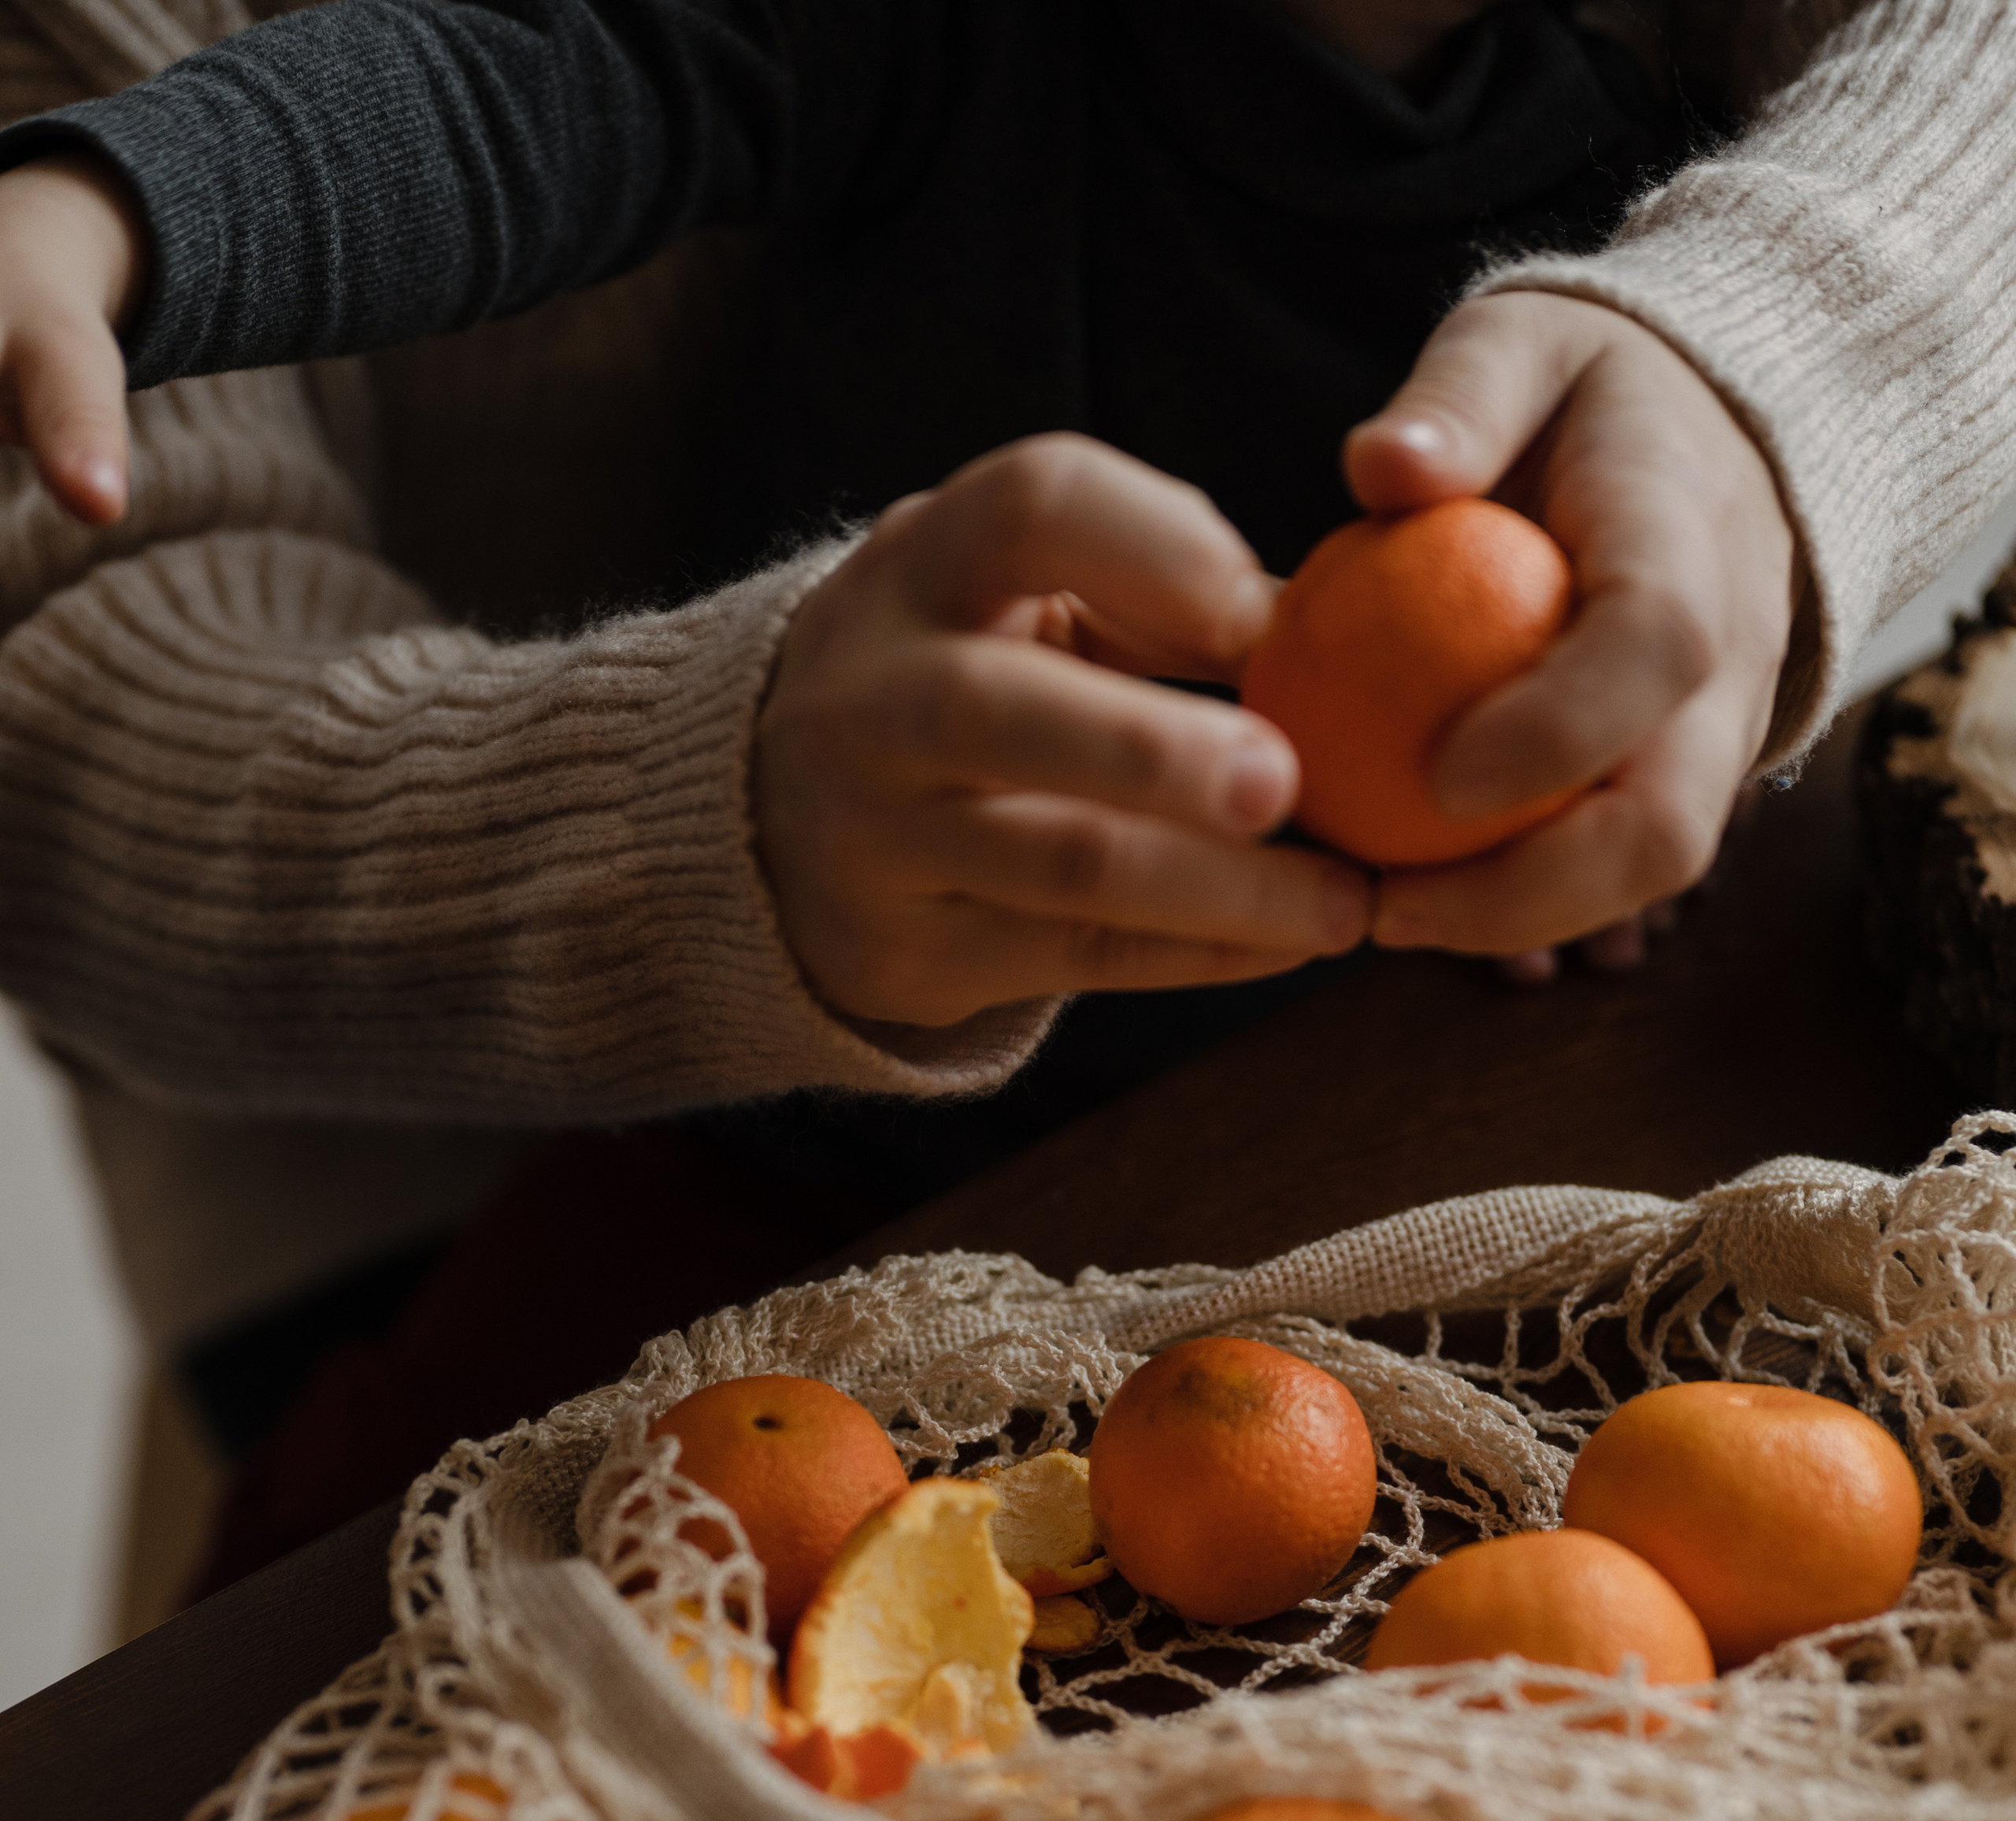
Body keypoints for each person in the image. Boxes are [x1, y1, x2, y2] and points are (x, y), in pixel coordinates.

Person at [0, 0, 2007, 1582]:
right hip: (799, 1109)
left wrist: (1644, 700)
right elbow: (495, 81)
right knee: (369, 1582)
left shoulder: (1648, 95)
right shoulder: (916, 32)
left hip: (1356, 1110)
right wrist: (107, 207)